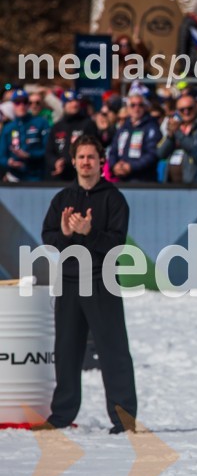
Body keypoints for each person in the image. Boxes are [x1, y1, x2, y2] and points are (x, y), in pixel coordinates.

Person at [36, 135, 137, 434]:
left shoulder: (114, 198)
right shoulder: (63, 198)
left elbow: (117, 245)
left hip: (101, 281)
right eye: (81, 157)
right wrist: (66, 233)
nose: (85, 162)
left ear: (101, 161)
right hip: (68, 282)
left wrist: (90, 232)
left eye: (91, 157)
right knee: (66, 350)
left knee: (113, 351)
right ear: (74, 160)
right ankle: (62, 415)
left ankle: (124, 419)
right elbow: (48, 236)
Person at [157, 93, 197, 183]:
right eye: (182, 110)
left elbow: (193, 148)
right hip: (171, 184)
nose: (186, 112)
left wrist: (177, 132)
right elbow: (160, 153)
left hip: (193, 184)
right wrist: (170, 137)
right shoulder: (175, 127)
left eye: (190, 108)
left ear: (196, 107)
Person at [107, 93, 161, 182]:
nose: (136, 108)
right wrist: (114, 166)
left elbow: (152, 154)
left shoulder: (151, 127)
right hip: (122, 180)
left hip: (143, 181)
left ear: (145, 107)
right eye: (133, 105)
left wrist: (131, 166)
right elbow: (113, 151)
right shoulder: (123, 127)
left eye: (140, 105)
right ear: (127, 108)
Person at [45, 91, 97, 182]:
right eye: (70, 101)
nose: (74, 104)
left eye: (76, 101)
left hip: (80, 176)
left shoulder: (87, 124)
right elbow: (49, 151)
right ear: (64, 105)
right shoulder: (57, 127)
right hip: (60, 176)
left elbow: (92, 150)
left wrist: (69, 161)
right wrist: (55, 162)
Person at [0, 89, 50, 182]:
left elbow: (47, 150)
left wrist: (29, 155)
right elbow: (1, 155)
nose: (21, 105)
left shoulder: (41, 123)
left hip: (36, 176)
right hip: (14, 177)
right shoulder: (8, 128)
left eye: (25, 102)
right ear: (13, 105)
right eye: (17, 102)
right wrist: (9, 162)